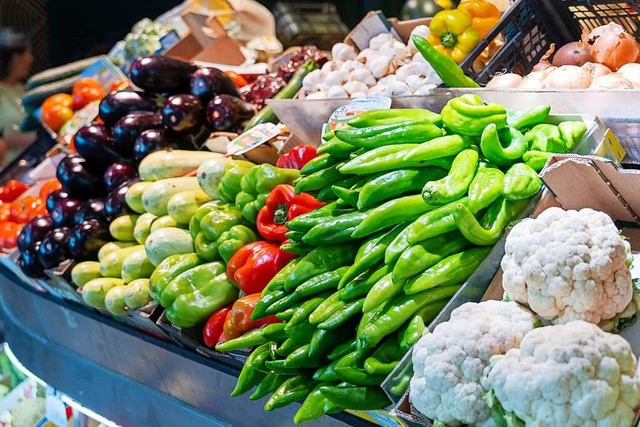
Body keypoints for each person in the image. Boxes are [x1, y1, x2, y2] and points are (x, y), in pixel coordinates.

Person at [0, 28, 36, 168]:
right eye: (28, 53)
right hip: (13, 174)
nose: (31, 59)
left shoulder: (21, 88)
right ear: (15, 58)